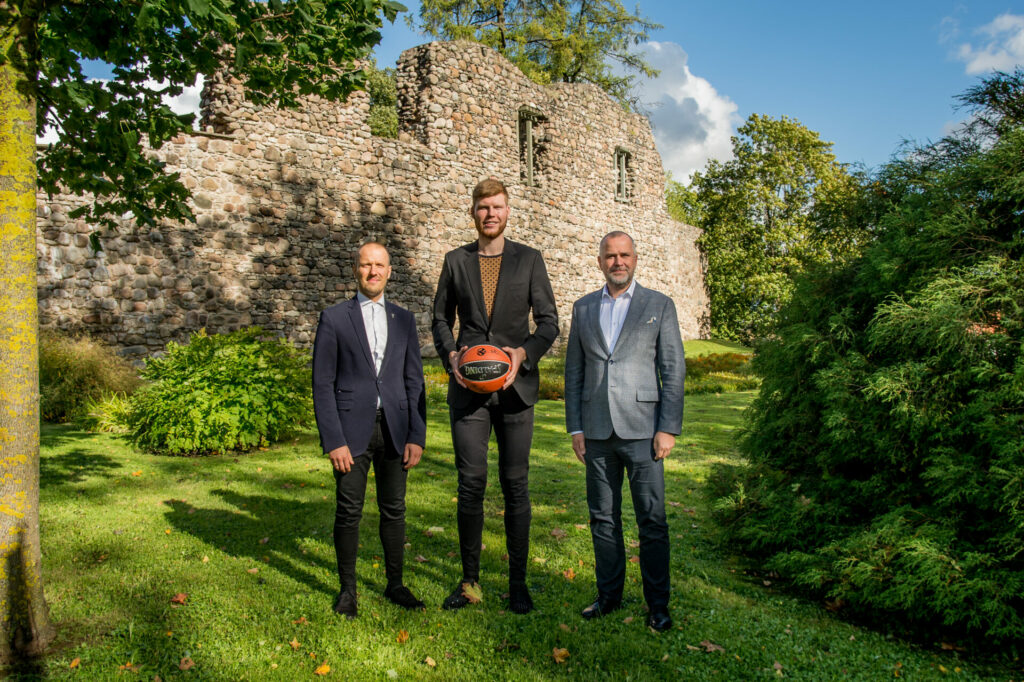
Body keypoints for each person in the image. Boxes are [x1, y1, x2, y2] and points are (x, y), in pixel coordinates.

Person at [432, 178, 558, 614]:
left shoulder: (530, 260)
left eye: (498, 207)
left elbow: (549, 323)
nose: (490, 214)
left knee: (515, 486)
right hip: (468, 391)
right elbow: (438, 319)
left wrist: (522, 354)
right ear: (473, 212)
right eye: (483, 207)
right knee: (471, 485)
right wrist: (451, 357)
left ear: (508, 212)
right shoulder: (455, 261)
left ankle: (518, 585)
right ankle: (469, 583)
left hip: (515, 391)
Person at [563, 230, 685, 632]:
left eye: (624, 255)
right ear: (600, 261)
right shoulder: (582, 309)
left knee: (652, 520)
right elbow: (574, 373)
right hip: (596, 432)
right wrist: (576, 427)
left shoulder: (659, 305)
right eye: (610, 256)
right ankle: (608, 597)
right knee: (603, 519)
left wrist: (667, 428)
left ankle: (658, 605)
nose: (618, 262)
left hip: (644, 431)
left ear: (635, 259)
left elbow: (672, 369)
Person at [312, 241, 428, 618]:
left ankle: (395, 584)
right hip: (351, 432)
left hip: (395, 429)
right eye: (366, 265)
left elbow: (414, 382)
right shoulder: (334, 318)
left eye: (379, 265)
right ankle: (348, 590)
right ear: (356, 270)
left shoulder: (404, 319)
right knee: (349, 512)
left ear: (389, 271)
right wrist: (334, 441)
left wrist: (417, 434)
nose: (373, 272)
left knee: (394, 509)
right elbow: (322, 384)